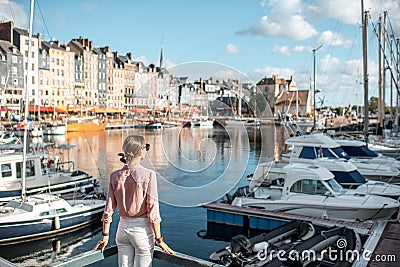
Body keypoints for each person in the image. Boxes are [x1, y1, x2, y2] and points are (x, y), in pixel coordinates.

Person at [93, 135, 175, 266]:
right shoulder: (148, 174)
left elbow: (108, 209)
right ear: (141, 151)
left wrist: (105, 235)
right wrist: (159, 239)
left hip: (122, 231)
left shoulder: (114, 176)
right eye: (145, 147)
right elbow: (153, 210)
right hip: (141, 232)